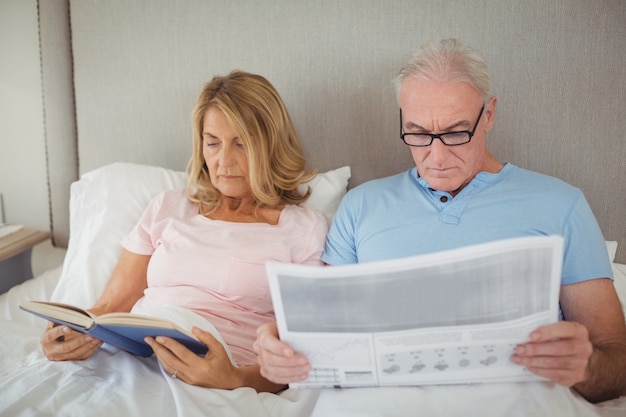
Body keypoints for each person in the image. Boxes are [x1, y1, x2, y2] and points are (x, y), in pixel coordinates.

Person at [254, 39, 626, 403]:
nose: (436, 155)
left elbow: (617, 365)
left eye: (454, 132)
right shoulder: (361, 206)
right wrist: (282, 344)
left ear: (490, 114)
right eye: (417, 133)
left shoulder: (559, 204)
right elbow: (325, 336)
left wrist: (587, 366)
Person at [40, 70, 328, 393]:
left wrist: (234, 379)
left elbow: (304, 354)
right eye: (213, 143)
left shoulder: (303, 229)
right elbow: (109, 308)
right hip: (135, 359)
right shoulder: (168, 207)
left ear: (270, 144)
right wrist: (70, 335)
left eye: (241, 144)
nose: (223, 161)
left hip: (218, 380)